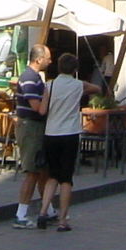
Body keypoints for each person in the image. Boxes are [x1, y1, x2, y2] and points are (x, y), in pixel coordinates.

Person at [35, 52, 101, 231]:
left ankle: (42, 212)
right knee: (66, 179)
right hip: (70, 134)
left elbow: (42, 111)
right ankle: (62, 220)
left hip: (51, 134)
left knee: (52, 176)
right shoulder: (78, 85)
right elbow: (96, 88)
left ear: (58, 67)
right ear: (75, 69)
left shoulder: (50, 85)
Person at [12, 44, 54, 230]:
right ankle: (20, 214)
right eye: (48, 58)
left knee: (42, 170)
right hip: (31, 126)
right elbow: (37, 107)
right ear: (39, 59)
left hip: (37, 126)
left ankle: (48, 209)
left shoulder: (35, 77)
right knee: (32, 171)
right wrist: (48, 93)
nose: (50, 61)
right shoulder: (29, 78)